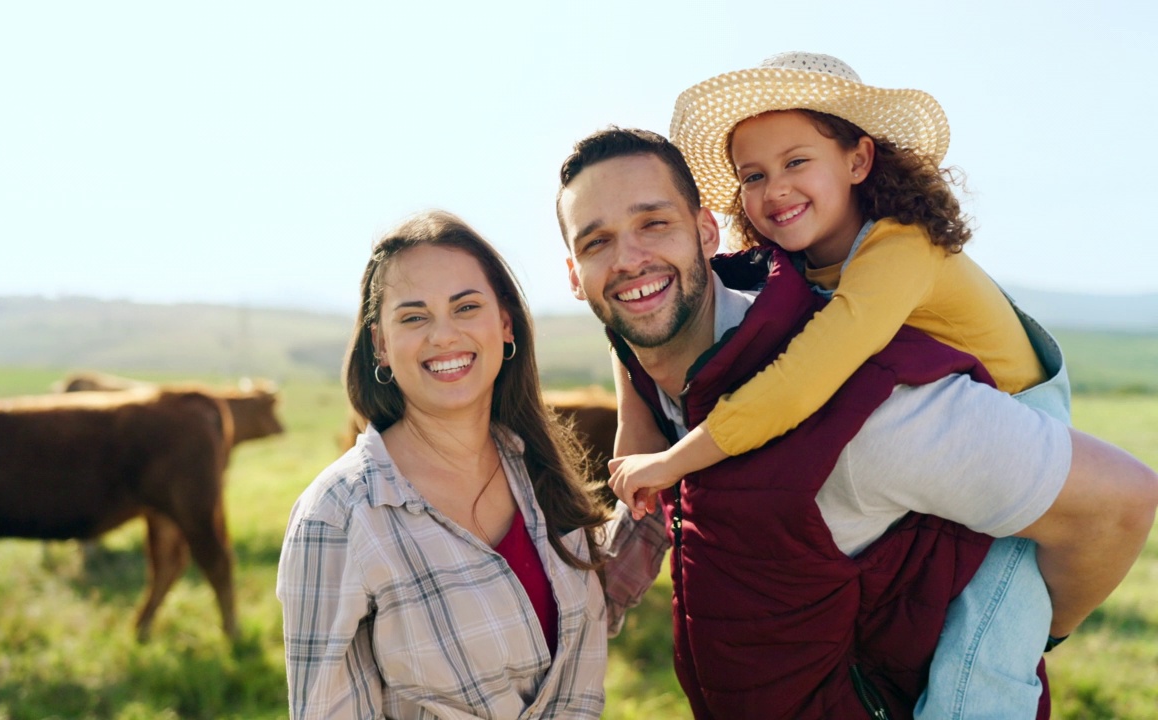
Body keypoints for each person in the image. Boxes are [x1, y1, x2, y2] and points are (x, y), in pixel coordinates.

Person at [556, 125, 1158, 718]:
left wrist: (1048, 626)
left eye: (653, 223)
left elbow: (1123, 501)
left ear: (707, 231)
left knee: (982, 666)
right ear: (575, 277)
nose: (630, 261)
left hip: (1026, 409)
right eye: (597, 243)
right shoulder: (701, 332)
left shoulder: (871, 400)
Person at [275, 210, 615, 720]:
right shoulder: (339, 515)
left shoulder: (540, 468)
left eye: (466, 307)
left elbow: (582, 633)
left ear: (504, 323)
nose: (443, 335)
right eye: (414, 317)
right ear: (381, 346)